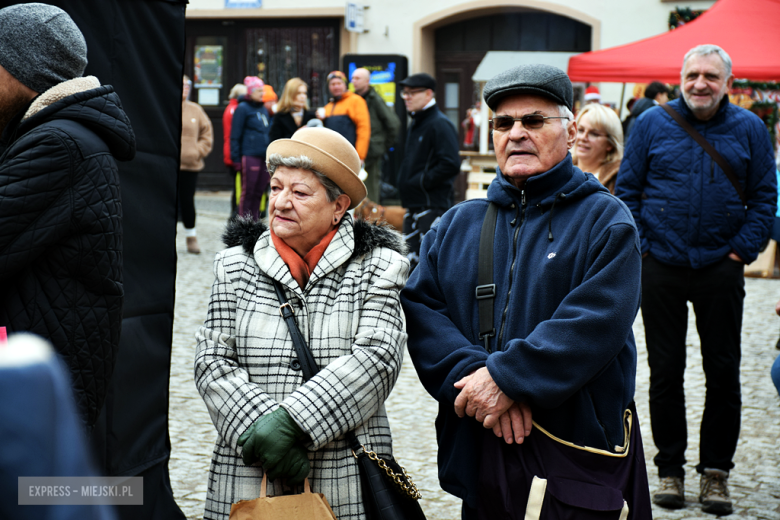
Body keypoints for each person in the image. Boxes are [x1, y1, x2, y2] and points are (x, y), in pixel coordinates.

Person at [401, 64, 650, 519]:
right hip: (483, 442)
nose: (516, 133)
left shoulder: (607, 221)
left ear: (570, 131)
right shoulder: (456, 224)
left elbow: (597, 321)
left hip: (576, 449)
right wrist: (480, 379)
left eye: (533, 121)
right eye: (503, 123)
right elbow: (421, 311)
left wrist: (507, 379)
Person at [195, 127, 410, 520]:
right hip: (248, 473)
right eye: (276, 188)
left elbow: (377, 359)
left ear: (338, 206)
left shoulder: (379, 267)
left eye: (300, 193)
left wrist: (292, 423)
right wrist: (260, 431)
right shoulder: (234, 265)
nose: (281, 202)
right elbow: (212, 362)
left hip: (342, 474)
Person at [616, 44, 776, 515]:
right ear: (680, 78)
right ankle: (669, 470)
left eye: (710, 75)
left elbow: (765, 198)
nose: (700, 83)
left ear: (729, 81)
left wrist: (738, 253)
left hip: (719, 269)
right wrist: (643, 249)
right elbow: (627, 191)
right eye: (692, 75)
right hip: (661, 264)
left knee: (723, 372)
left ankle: (715, 474)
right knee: (665, 373)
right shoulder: (650, 123)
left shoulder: (749, 128)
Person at [0, 3, 136, 430]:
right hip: (42, 382)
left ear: (20, 70)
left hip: (37, 392)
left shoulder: (59, 145)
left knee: (32, 498)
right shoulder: (52, 134)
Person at [396, 72, 460, 270]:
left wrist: (420, 182)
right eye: (404, 93)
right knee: (409, 266)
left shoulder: (439, 124)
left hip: (431, 207)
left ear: (429, 94)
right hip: (414, 205)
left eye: (412, 92)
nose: (406, 97)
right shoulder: (417, 122)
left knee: (429, 267)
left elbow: (450, 164)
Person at [351, 67, 400, 203]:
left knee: (370, 191)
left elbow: (393, 124)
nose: (353, 81)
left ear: (367, 81)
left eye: (357, 78)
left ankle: (370, 223)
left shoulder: (375, 99)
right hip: (356, 149)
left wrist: (381, 145)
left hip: (371, 152)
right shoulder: (352, 98)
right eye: (353, 78)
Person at [180, 74, 214, 254]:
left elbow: (206, 134)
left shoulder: (196, 110)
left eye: (188, 85)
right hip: (169, 166)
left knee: (187, 201)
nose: (185, 88)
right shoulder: (166, 107)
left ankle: (191, 237)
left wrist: (197, 152)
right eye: (182, 84)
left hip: (190, 166)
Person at [231, 76, 272, 220]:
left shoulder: (263, 108)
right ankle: (244, 222)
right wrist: (235, 158)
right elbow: (235, 134)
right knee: (248, 191)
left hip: (263, 156)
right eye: (259, 90)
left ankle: (254, 222)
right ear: (250, 91)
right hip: (249, 155)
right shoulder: (242, 108)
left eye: (262, 90)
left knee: (259, 191)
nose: (262, 93)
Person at [572, 103, 624, 193]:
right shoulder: (559, 169)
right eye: (580, 130)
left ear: (610, 144)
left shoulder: (619, 179)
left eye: (594, 133)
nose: (583, 137)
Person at [321, 70, 370, 161]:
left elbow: (363, 129)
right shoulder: (328, 107)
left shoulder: (356, 101)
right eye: (333, 84)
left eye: (339, 83)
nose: (336, 87)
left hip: (349, 156)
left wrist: (360, 156)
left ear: (345, 85)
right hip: (331, 156)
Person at [222, 83, 247, 219]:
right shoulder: (235, 109)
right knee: (238, 188)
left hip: (231, 151)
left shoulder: (232, 108)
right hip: (233, 153)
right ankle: (234, 215)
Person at [268, 77, 316, 142]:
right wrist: (297, 135)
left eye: (304, 93)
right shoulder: (279, 117)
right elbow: (275, 143)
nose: (303, 97)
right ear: (290, 95)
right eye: (298, 93)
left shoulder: (312, 116)